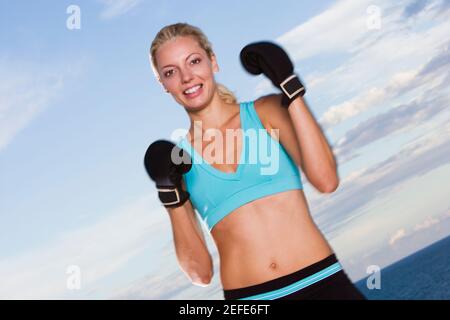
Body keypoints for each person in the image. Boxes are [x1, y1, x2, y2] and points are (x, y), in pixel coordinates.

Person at [144, 22, 366, 300]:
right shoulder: (178, 162)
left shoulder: (267, 112)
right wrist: (169, 194)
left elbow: (326, 180)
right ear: (163, 84)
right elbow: (199, 273)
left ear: (213, 61)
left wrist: (291, 87)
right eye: (170, 72)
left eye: (194, 61)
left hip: (322, 283)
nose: (186, 77)